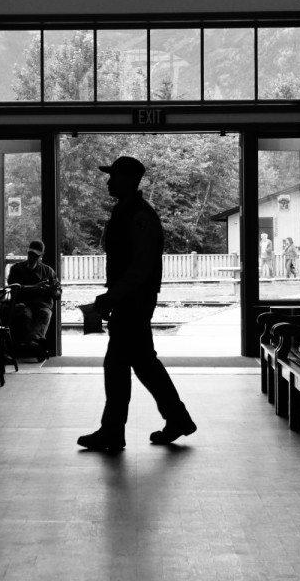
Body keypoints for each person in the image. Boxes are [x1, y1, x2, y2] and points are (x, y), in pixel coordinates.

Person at [77, 156, 196, 452]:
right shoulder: (128, 212)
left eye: (113, 176)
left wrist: (111, 297)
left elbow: (140, 267)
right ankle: (176, 419)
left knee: (119, 364)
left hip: (134, 302)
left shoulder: (139, 216)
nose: (108, 182)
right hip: (130, 301)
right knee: (142, 363)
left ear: (128, 181)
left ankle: (114, 431)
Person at [6, 239, 59, 359]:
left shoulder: (48, 271)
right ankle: (38, 344)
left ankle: (32, 343)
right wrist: (33, 288)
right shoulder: (17, 268)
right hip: (24, 303)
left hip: (43, 305)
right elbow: (12, 288)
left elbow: (58, 294)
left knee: (44, 314)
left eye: (35, 255)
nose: (32, 257)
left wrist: (52, 290)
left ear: (41, 256)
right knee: (25, 314)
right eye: (30, 253)